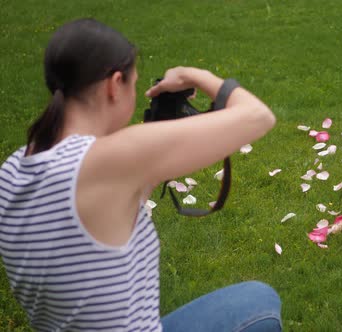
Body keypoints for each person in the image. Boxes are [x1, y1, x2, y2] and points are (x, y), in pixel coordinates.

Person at [0, 18, 282, 331]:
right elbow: (259, 117)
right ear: (114, 84)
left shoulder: (14, 168)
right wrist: (195, 75)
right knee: (260, 302)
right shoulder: (107, 161)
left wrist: (161, 129)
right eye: (133, 84)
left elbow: (114, 202)